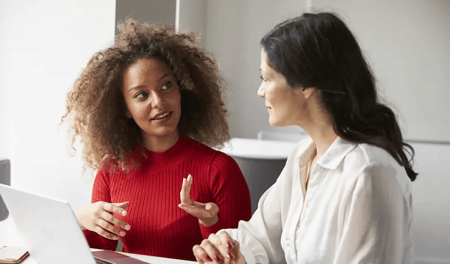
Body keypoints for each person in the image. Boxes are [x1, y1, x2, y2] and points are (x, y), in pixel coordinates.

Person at [193, 12, 417, 264]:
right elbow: (261, 239)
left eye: (266, 78)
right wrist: (226, 248)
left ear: (306, 83)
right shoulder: (303, 156)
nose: (260, 91)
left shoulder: (370, 172)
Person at [61, 18, 251, 261]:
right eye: (141, 94)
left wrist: (209, 222)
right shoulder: (110, 172)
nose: (158, 101)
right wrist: (80, 221)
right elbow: (97, 254)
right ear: (125, 108)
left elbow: (239, 258)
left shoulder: (220, 170)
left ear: (181, 90)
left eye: (166, 86)